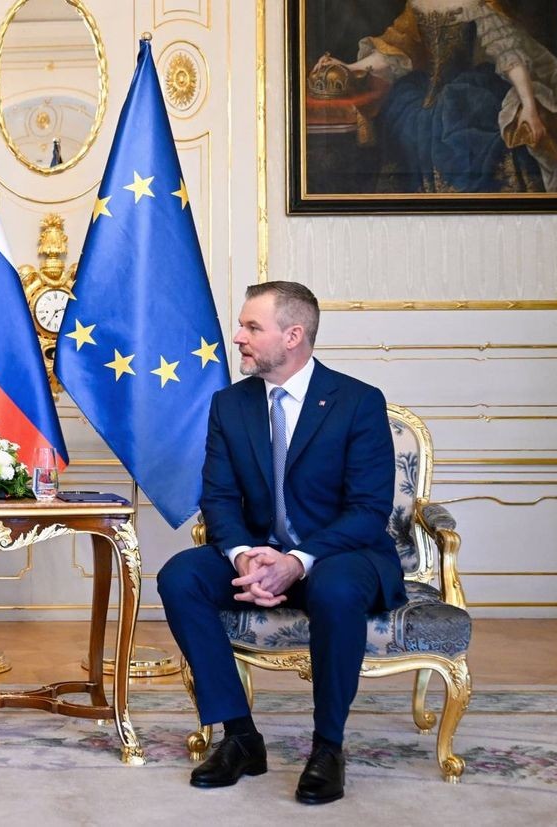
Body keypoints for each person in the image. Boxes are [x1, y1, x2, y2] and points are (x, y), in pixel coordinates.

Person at [157, 281, 405, 805]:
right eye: (242, 326)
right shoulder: (230, 404)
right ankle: (240, 737)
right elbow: (220, 497)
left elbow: (367, 510)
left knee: (335, 588)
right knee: (180, 575)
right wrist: (245, 556)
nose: (238, 336)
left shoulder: (357, 402)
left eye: (252, 327)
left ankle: (328, 748)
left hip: (340, 557)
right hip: (260, 557)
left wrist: (297, 561)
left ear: (293, 336)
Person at [312, 0, 557, 194]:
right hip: (419, 99)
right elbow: (393, 54)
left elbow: (508, 56)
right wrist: (348, 66)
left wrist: (530, 106)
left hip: (468, 101)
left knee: (468, 142)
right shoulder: (416, 6)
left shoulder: (479, 4)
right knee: (408, 127)